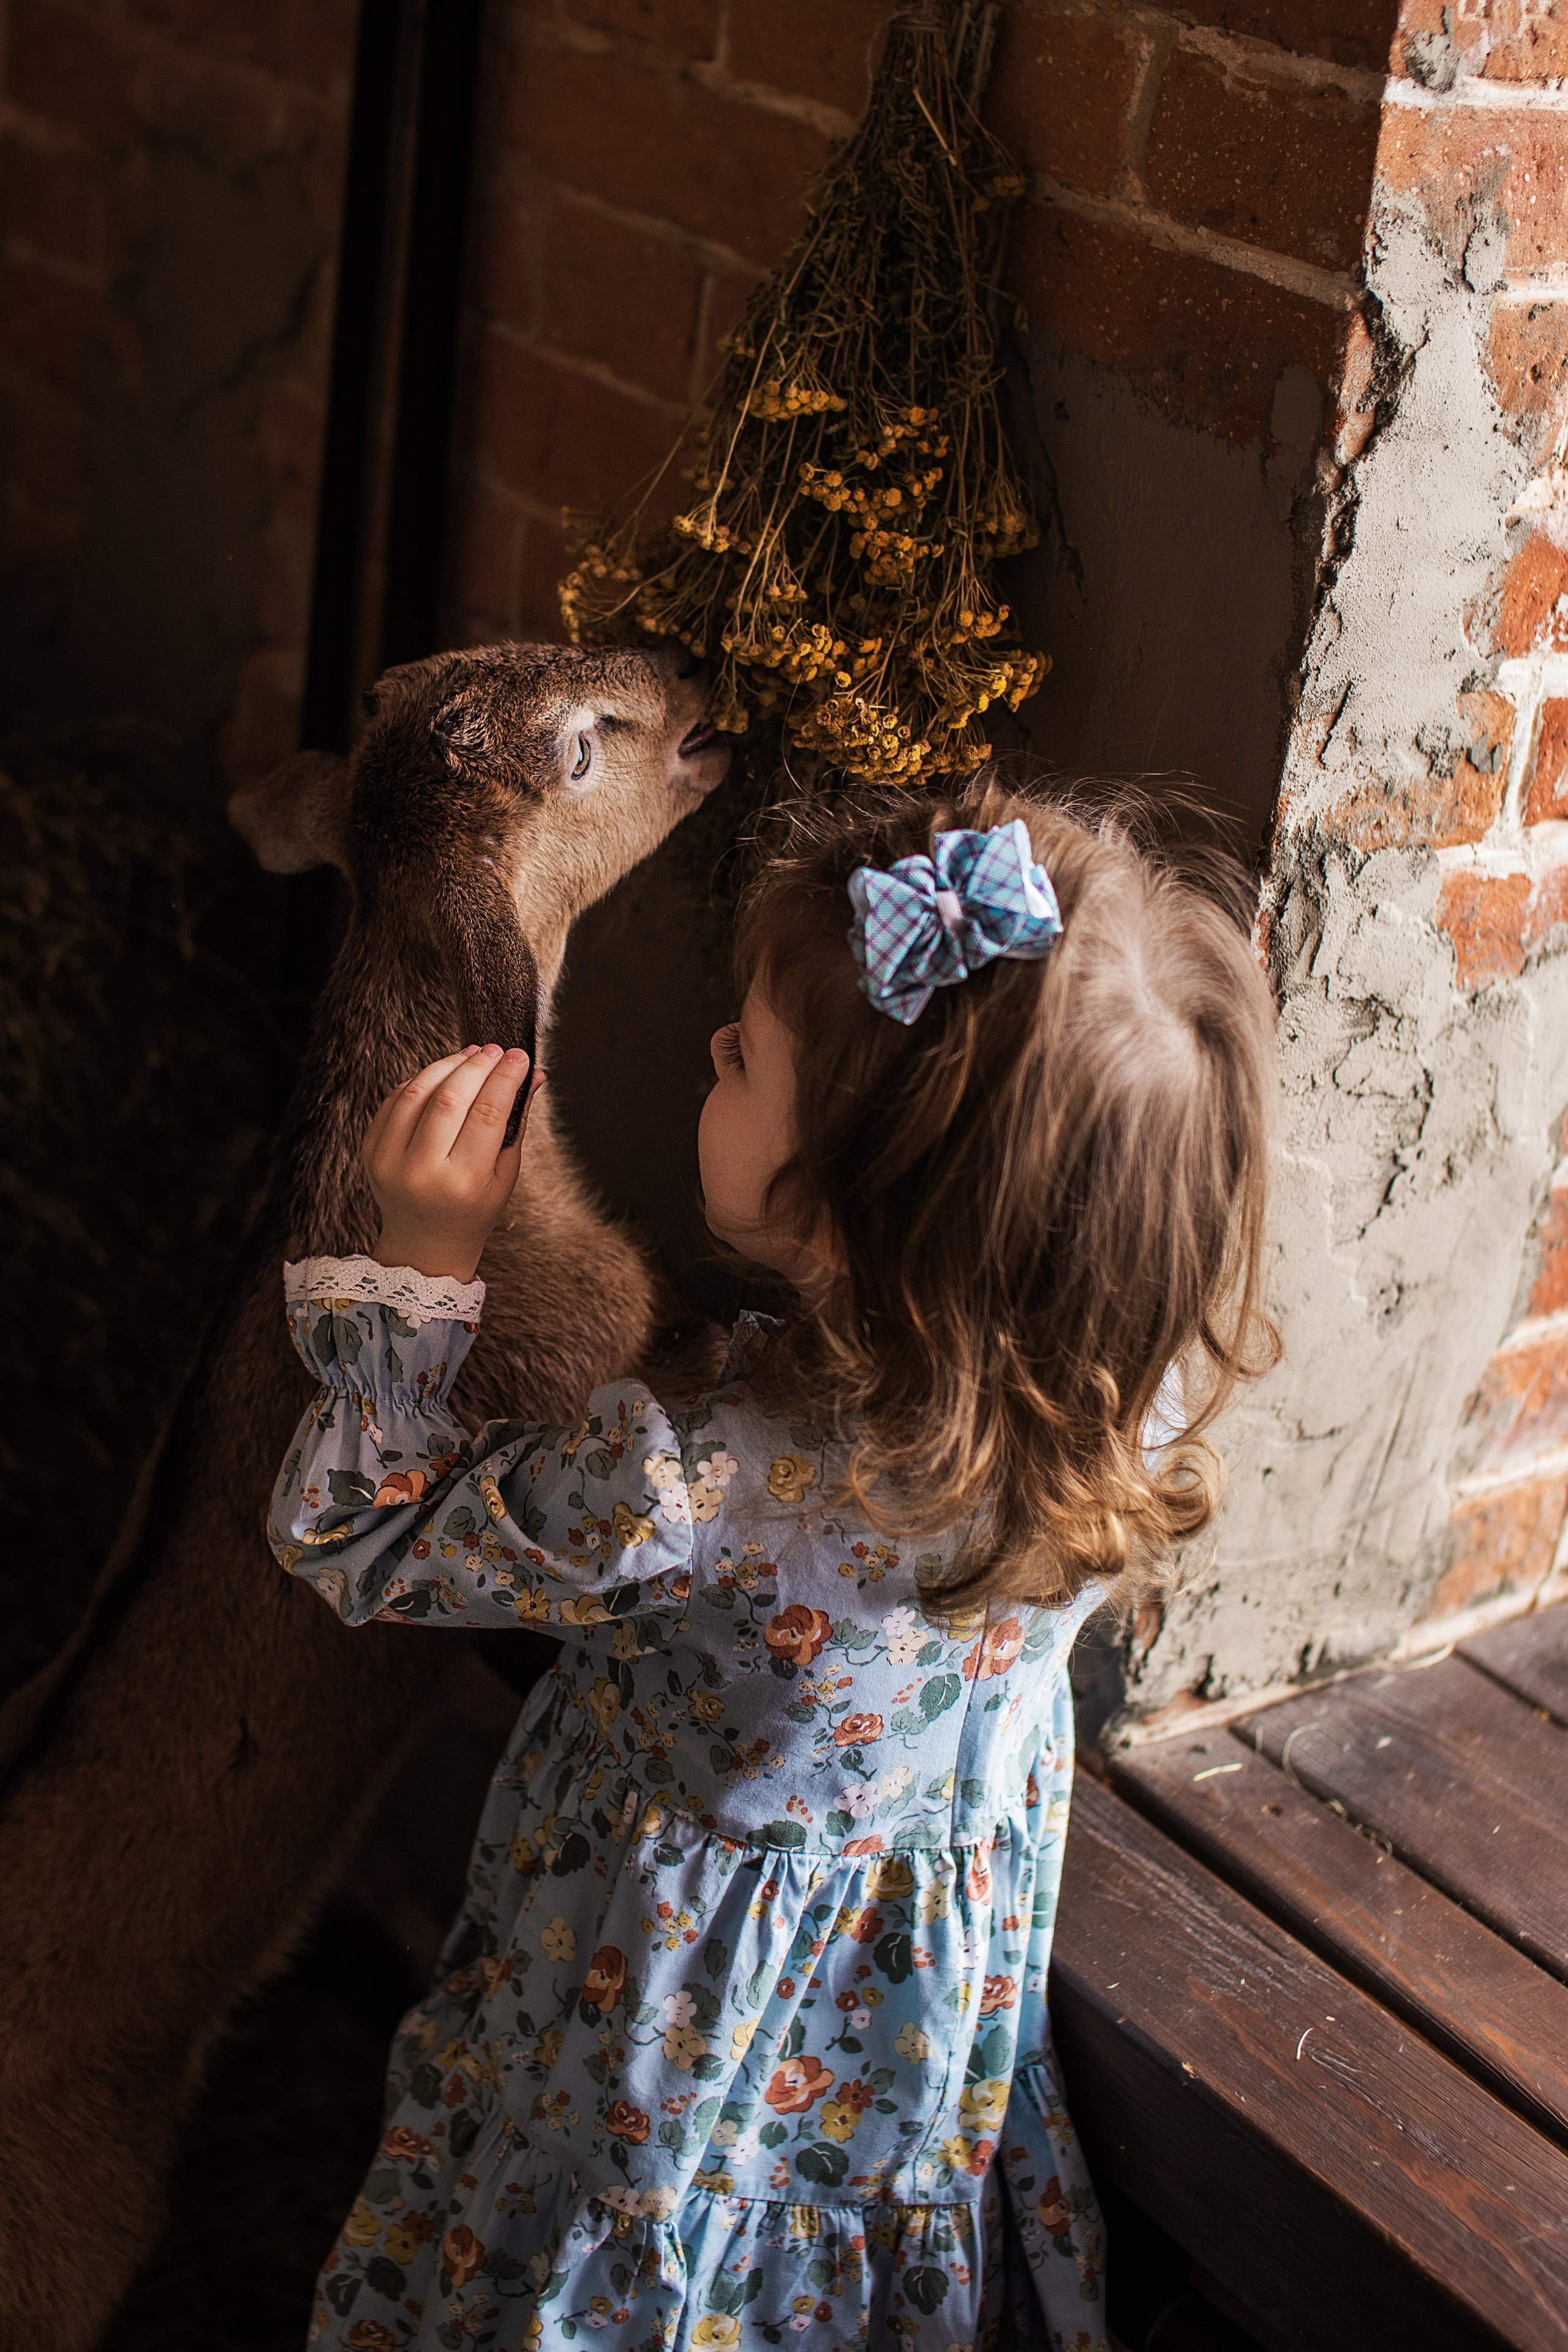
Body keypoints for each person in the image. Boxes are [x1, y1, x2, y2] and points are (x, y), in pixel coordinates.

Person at [270, 777, 1276, 2351]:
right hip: (893, 2055)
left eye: (743, 1055)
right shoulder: (1112, 1420)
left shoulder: (687, 1489)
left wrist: (422, 1261)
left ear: (853, 1198)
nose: (710, 1049)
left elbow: (356, 1530)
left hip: (650, 2050)